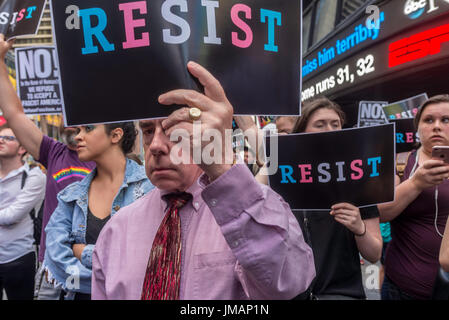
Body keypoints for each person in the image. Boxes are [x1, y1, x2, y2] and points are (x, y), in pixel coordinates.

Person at [91, 61, 315, 300]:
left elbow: (288, 282)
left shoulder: (250, 211)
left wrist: (221, 166)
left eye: (172, 127)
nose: (155, 145)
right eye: (148, 131)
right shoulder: (117, 230)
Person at [0, 34, 96, 299]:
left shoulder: (112, 162)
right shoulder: (53, 152)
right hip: (53, 269)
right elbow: (15, 114)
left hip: (94, 268)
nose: (73, 122)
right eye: (68, 112)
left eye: (82, 116)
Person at [42, 122, 154, 300]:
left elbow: (147, 258)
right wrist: (113, 278)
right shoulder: (70, 196)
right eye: (78, 130)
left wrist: (83, 252)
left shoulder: (151, 189)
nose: (78, 136)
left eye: (88, 129)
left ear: (115, 136)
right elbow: (56, 258)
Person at [291, 98, 382, 300]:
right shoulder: (286, 178)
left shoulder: (360, 179)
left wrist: (360, 229)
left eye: (335, 124)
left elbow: (374, 254)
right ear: (301, 133)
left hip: (342, 294)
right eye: (320, 124)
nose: (330, 130)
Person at [378, 94, 449, 300]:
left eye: (446, 120)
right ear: (417, 129)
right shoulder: (400, 162)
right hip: (401, 286)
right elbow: (381, 213)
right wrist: (416, 183)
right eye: (428, 120)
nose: (437, 126)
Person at [0, 126, 46, 300]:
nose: (1, 140)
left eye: (8, 138)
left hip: (18, 257)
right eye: (0, 136)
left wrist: (7, 214)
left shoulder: (34, 177)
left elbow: (13, 216)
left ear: (22, 148)